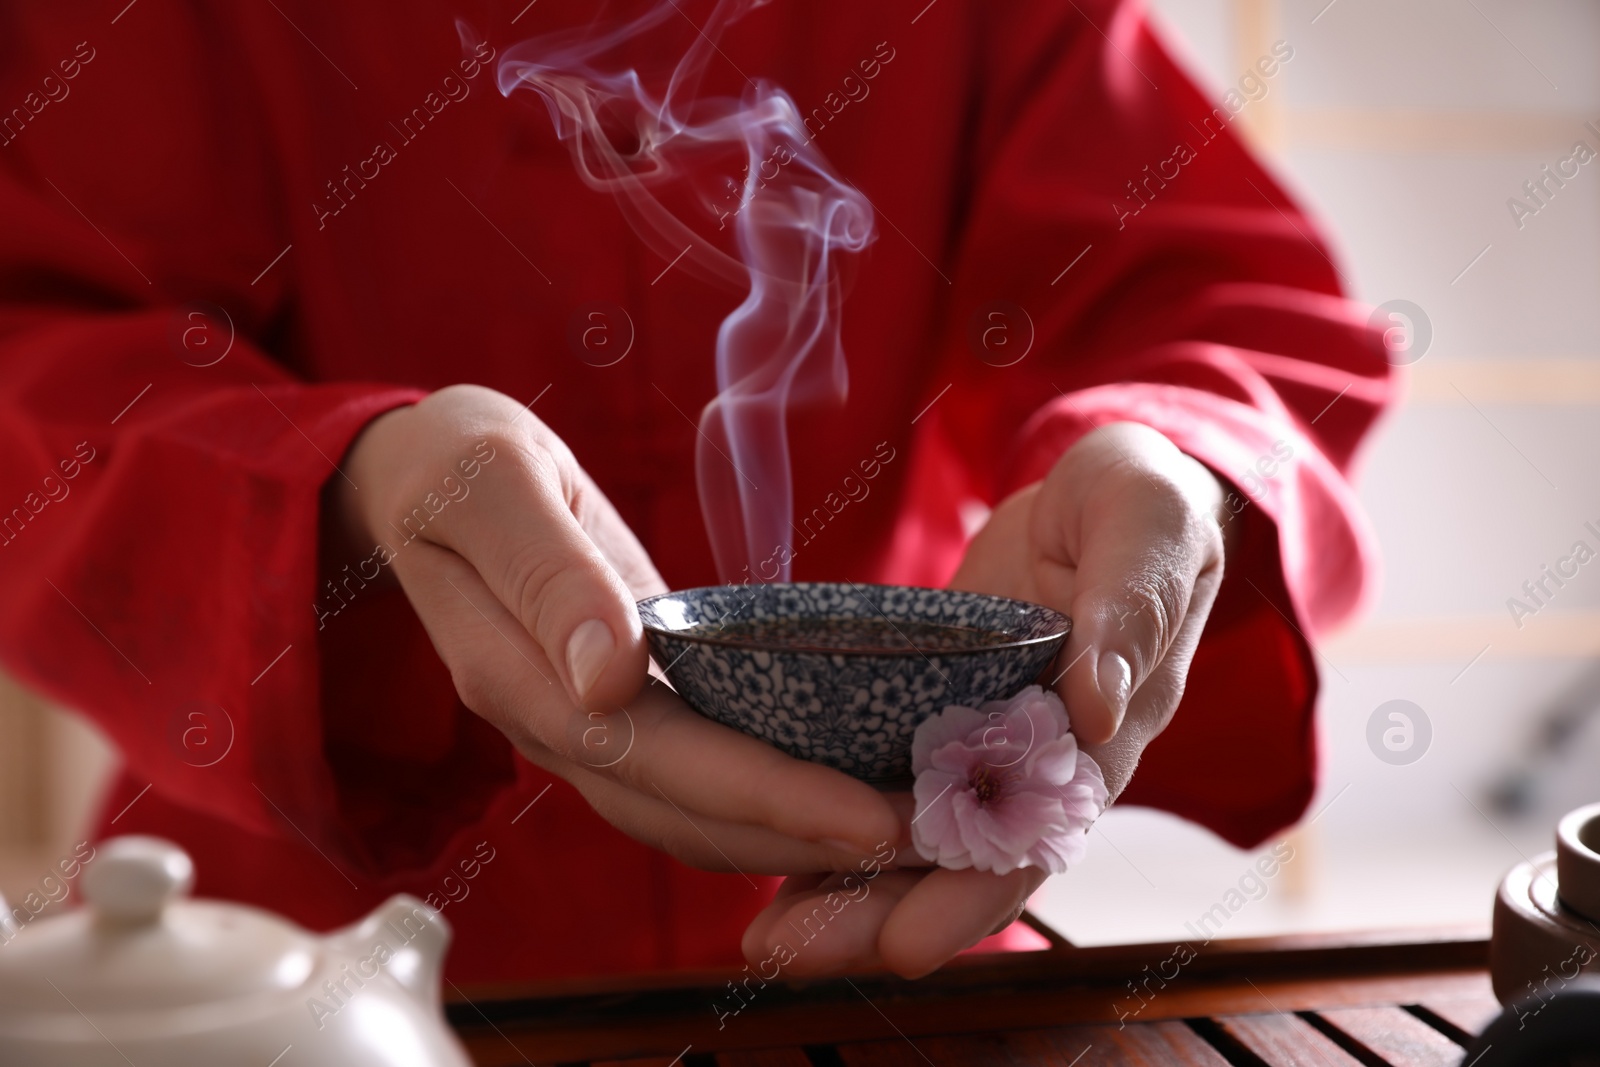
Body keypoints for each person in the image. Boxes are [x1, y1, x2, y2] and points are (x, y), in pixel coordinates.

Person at [0, 0, 1392, 982]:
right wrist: (351, 487)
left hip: (895, 916)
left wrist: (1173, 462)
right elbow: (35, 353)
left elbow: (1219, 300)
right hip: (310, 959)